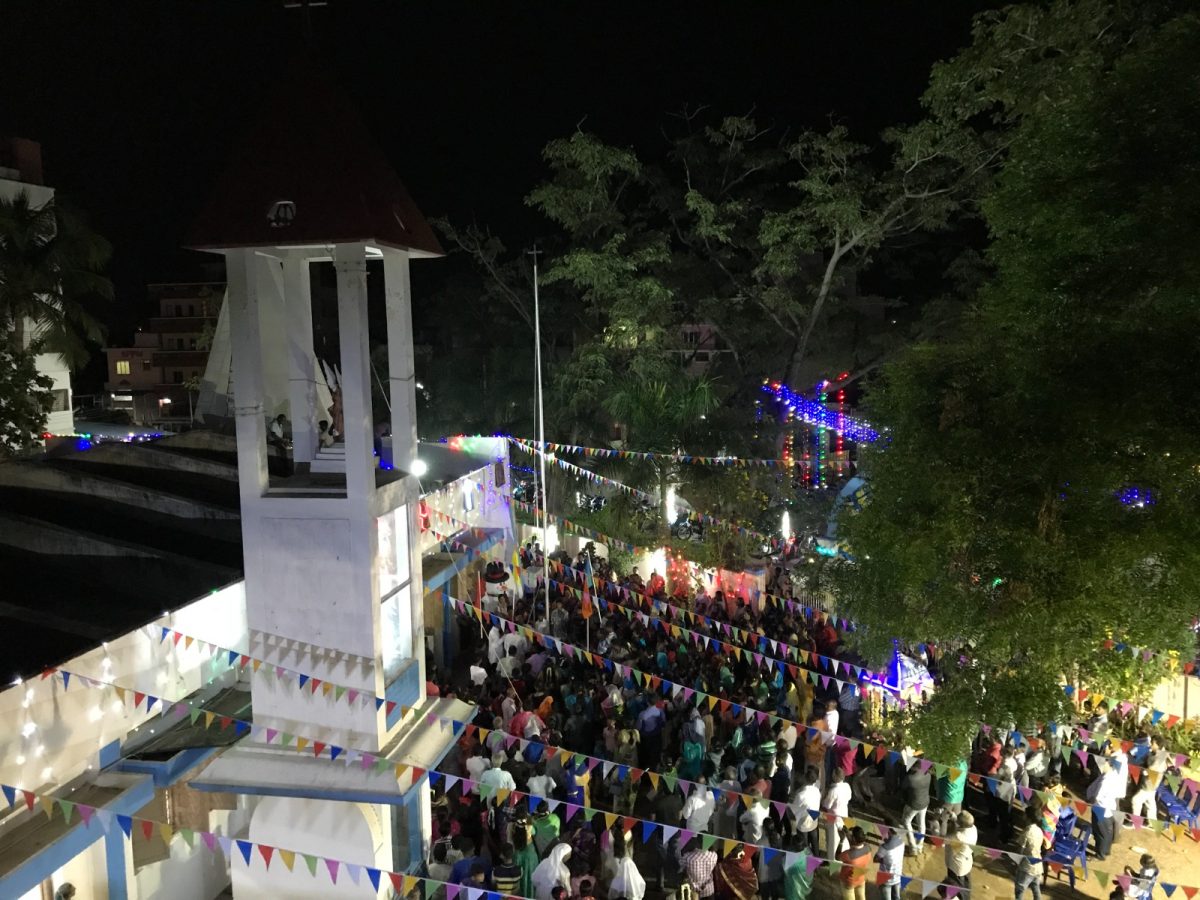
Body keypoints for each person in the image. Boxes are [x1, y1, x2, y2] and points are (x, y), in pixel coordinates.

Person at [1088, 759, 1124, 861]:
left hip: (1101, 808)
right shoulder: (1114, 775)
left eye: (1104, 764)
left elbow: (1097, 796)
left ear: (1109, 765)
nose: (1101, 766)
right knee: (1107, 832)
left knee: (1100, 832)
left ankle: (1100, 855)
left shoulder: (1106, 779)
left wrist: (1091, 799)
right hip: (1109, 808)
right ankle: (1106, 851)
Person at [943, 812, 977, 899]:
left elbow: (944, 839)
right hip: (967, 863)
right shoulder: (973, 828)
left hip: (956, 867)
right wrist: (954, 817)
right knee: (965, 886)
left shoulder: (958, 836)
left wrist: (946, 821)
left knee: (955, 889)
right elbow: (963, 825)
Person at [901, 760, 932, 854]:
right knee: (921, 824)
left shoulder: (910, 778)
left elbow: (903, 788)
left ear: (915, 767)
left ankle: (913, 847)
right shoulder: (928, 774)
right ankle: (920, 845)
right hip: (925, 802)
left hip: (913, 804)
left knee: (906, 822)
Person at [1014, 808, 1044, 900]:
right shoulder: (1039, 830)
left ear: (1028, 817)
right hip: (1038, 866)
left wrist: (1016, 863)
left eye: (1024, 814)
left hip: (1027, 867)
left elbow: (1020, 851)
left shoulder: (1026, 832)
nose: (1023, 815)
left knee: (1019, 890)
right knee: (1036, 889)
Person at [791, 765, 822, 856]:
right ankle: (817, 856)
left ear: (805, 778)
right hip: (814, 818)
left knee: (805, 844)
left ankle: (807, 859)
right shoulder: (817, 791)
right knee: (814, 841)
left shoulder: (801, 795)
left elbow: (794, 810)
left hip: (803, 821)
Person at [822, 767, 852, 861]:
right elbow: (849, 798)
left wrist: (823, 800)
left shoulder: (833, 791)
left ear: (835, 776)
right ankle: (843, 853)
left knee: (832, 839)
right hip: (844, 814)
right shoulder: (847, 786)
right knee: (843, 836)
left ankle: (831, 859)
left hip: (833, 817)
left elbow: (827, 805)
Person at [874, 817, 905, 900]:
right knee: (896, 897)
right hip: (897, 876)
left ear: (889, 830)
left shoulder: (884, 847)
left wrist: (883, 860)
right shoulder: (902, 841)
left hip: (885, 879)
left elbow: (875, 859)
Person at [837, 826, 871, 900]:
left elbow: (837, 857)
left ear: (854, 839)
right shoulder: (868, 848)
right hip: (861, 879)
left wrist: (841, 841)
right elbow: (855, 845)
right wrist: (847, 834)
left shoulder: (848, 854)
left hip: (849, 882)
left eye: (852, 836)